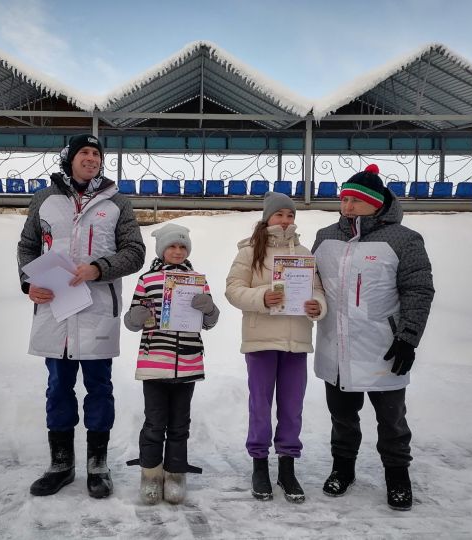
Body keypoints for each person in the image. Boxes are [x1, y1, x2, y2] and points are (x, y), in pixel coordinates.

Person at [17, 133, 145, 498]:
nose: (91, 157)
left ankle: (97, 465)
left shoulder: (117, 202)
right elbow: (27, 246)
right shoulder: (44, 200)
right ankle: (60, 464)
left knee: (99, 390)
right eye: (84, 152)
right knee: (58, 388)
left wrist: (99, 269)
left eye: (96, 153)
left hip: (97, 310)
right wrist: (29, 283)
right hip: (55, 309)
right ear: (69, 159)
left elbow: (134, 251)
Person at [311, 164, 435, 511]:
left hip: (383, 346)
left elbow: (418, 289)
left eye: (355, 200)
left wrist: (408, 336)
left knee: (392, 420)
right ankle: (343, 468)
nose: (347, 206)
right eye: (344, 199)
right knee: (342, 417)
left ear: (376, 203)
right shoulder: (325, 236)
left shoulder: (403, 239)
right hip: (336, 345)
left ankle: (397, 476)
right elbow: (310, 280)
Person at [225, 191, 327, 503]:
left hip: (296, 341)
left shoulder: (305, 252)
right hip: (261, 340)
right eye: (280, 214)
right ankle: (259, 464)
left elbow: (318, 291)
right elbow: (233, 289)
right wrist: (262, 297)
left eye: (290, 215)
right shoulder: (249, 251)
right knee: (260, 405)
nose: (285, 220)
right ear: (268, 217)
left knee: (292, 406)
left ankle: (287, 467)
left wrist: (316, 306)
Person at [124, 223, 220, 505]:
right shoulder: (148, 279)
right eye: (172, 246)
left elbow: (210, 321)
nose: (177, 251)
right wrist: (137, 316)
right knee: (154, 423)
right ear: (162, 249)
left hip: (187, 363)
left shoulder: (197, 281)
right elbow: (131, 321)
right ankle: (151, 474)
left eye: (182, 247)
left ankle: (175, 474)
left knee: (180, 424)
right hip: (155, 361)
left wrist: (209, 308)